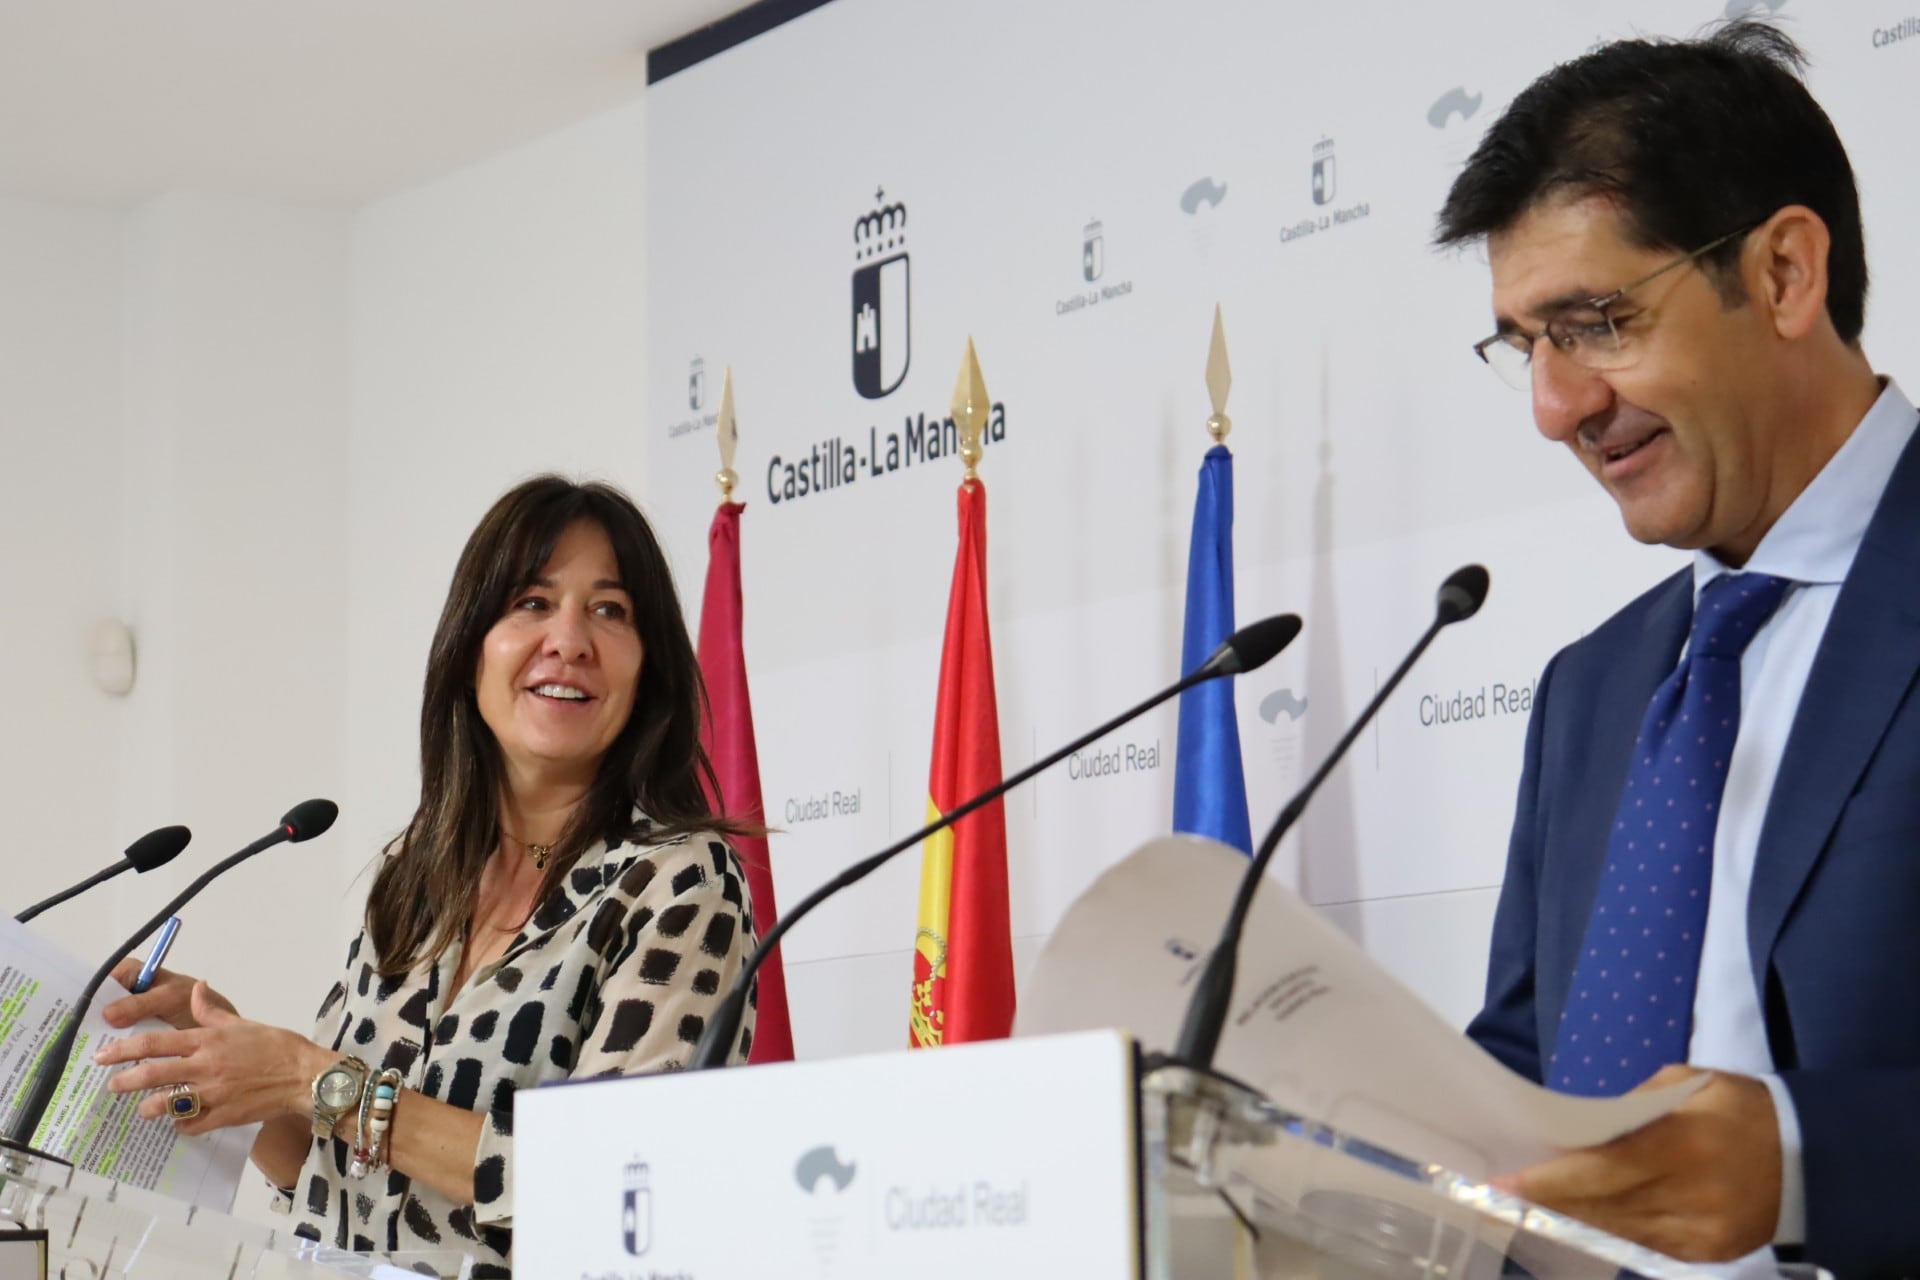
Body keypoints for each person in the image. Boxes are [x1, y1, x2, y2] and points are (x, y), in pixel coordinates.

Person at [1437, 16, 1920, 1278]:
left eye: (1595, 319)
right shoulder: (1589, 692)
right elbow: (1527, 1074)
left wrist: (1810, 1163)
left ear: (1782, 275)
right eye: (1525, 343)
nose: (1556, 407)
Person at [94, 476, 759, 1278]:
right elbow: (331, 1160)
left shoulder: (679, 885)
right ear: (471, 647)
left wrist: (310, 1075)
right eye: (532, 603)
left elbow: (615, 1186)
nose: (571, 639)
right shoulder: (419, 870)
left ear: (647, 669)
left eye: (610, 610)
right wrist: (233, 1065)